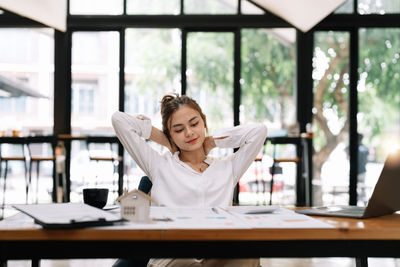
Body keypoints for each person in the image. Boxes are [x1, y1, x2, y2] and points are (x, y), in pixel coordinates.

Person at [112, 94, 267, 267]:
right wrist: (164, 139)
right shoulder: (159, 165)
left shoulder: (228, 168)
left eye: (194, 124)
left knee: (249, 254)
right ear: (170, 134)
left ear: (204, 122)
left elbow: (259, 131)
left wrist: (213, 142)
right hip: (173, 255)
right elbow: (119, 120)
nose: (189, 133)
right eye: (178, 130)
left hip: (218, 251)